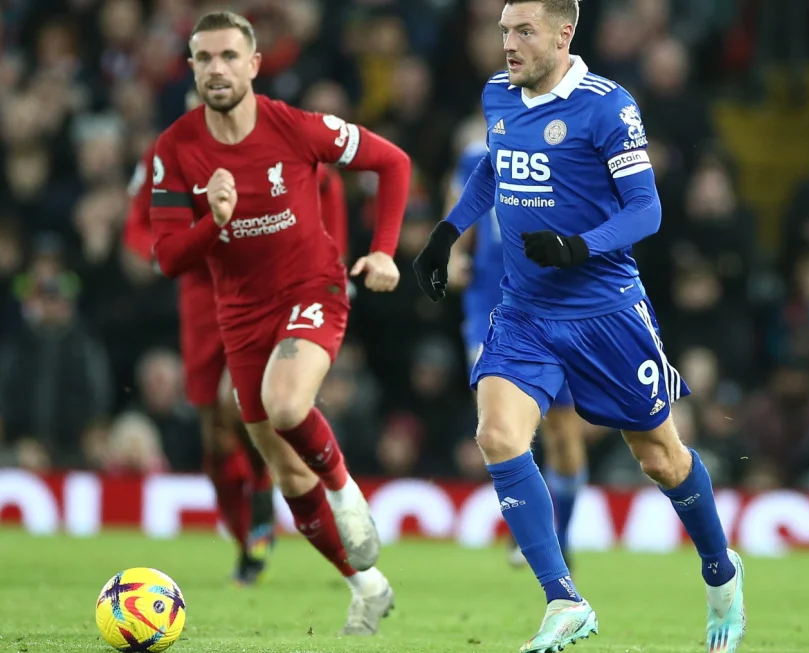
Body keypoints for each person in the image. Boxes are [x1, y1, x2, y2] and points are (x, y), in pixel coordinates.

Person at [412, 2, 746, 651]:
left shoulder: (607, 106)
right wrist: (448, 231)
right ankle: (563, 598)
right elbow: (495, 165)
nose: (508, 44)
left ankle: (720, 571)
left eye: (524, 31)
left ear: (564, 34)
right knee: (497, 435)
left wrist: (577, 247)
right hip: (524, 310)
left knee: (660, 458)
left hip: (604, 311)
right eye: (504, 30)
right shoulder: (497, 94)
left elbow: (645, 210)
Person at [148, 11, 410, 635]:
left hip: (311, 288)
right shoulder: (175, 149)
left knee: (286, 404)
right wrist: (213, 221)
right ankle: (368, 586)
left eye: (229, 56)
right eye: (204, 58)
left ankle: (347, 493)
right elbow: (167, 258)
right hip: (239, 316)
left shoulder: (293, 125)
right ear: (191, 68)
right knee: (288, 471)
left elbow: (393, 162)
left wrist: (384, 250)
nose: (217, 68)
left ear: (254, 64)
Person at [123, 90, 352, 587]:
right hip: (201, 297)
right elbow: (137, 223)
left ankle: (267, 489)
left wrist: (335, 263)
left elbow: (327, 189)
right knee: (213, 430)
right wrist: (159, 250)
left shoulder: (274, 141)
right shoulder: (168, 153)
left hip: (264, 287)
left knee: (240, 401)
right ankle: (248, 538)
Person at [446, 131, 589, 570]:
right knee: (503, 422)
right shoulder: (478, 153)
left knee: (562, 432)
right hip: (491, 303)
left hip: (558, 305)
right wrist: (452, 253)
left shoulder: (575, 150)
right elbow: (459, 206)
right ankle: (532, 531)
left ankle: (560, 536)